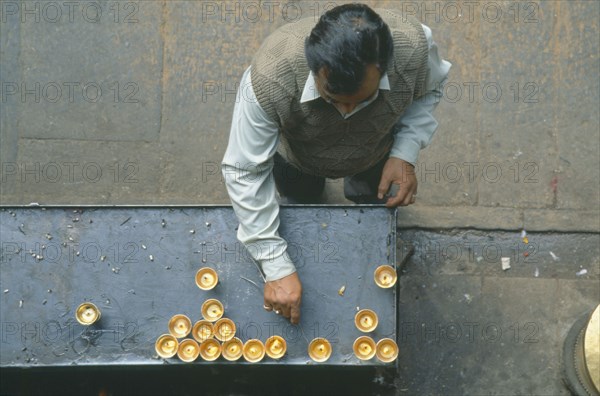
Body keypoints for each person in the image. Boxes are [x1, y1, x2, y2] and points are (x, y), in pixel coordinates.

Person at [222, 4, 451, 324]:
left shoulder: (413, 47)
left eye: (363, 100)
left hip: (375, 153)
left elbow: (430, 88)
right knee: (301, 200)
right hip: (297, 158)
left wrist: (405, 151)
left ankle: (367, 212)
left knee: (372, 198)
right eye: (332, 98)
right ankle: (308, 203)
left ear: (384, 67)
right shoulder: (270, 77)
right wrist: (275, 265)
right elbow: (244, 170)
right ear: (315, 69)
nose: (347, 112)